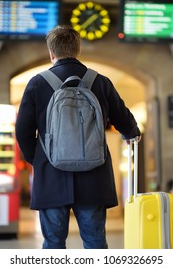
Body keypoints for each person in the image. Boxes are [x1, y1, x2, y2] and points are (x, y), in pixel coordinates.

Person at [15, 25, 141, 249]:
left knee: (53, 242)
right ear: (78, 50)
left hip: (51, 176)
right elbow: (124, 119)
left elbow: (23, 131)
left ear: (51, 53)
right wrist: (132, 133)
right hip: (94, 176)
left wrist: (39, 159)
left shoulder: (37, 83)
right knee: (94, 241)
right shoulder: (100, 81)